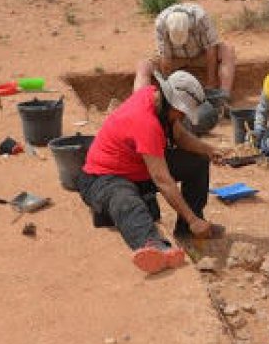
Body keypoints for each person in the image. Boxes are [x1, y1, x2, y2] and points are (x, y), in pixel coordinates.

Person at [78, 70, 225, 274]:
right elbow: (162, 179)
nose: (182, 117)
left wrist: (209, 150)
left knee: (198, 162)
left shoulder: (156, 100)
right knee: (127, 202)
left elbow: (180, 136)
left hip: (137, 170)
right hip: (103, 178)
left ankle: (187, 231)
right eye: (181, 112)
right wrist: (192, 219)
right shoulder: (146, 122)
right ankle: (154, 246)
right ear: (170, 102)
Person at [134, 3, 236, 107]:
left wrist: (211, 84)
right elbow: (166, 59)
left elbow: (211, 51)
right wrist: (168, 92)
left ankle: (223, 97)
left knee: (228, 50)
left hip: (200, 56)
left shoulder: (201, 18)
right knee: (144, 65)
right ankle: (140, 106)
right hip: (175, 58)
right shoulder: (160, 24)